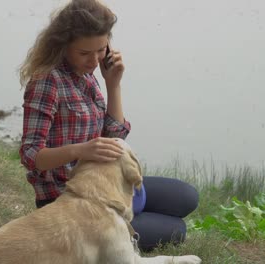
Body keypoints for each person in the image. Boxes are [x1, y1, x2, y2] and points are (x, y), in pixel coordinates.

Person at [18, 0, 198, 251]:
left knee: (186, 197)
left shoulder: (88, 76)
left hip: (105, 182)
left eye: (101, 50)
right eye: (84, 53)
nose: (94, 60)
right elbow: (30, 155)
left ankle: (128, 218)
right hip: (70, 202)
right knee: (177, 230)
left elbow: (115, 135)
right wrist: (79, 150)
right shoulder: (47, 82)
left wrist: (113, 83)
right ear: (63, 45)